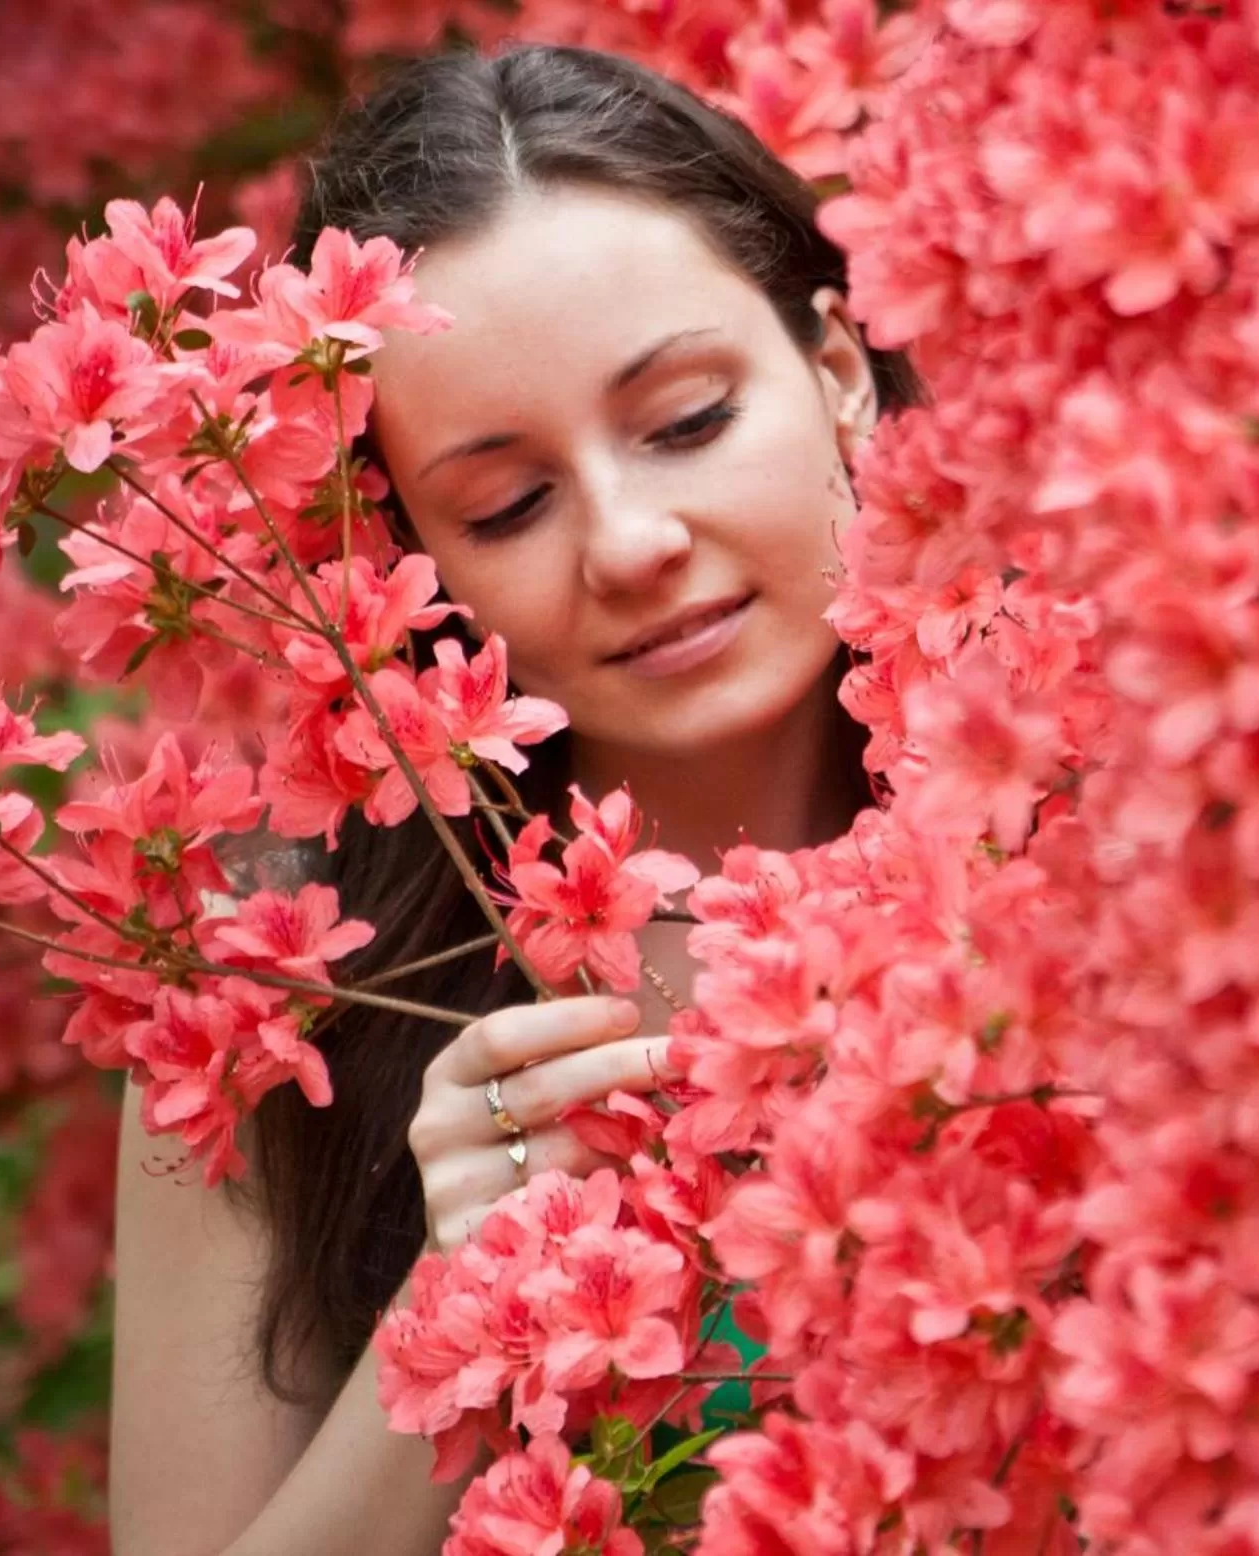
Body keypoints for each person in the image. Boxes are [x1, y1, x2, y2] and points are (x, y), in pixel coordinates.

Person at [108, 43, 919, 1556]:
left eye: (685, 421)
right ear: (407, 555)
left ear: (838, 370)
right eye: (508, 504)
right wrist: (468, 1294)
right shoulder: (262, 1002)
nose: (628, 543)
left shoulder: (1107, 852)